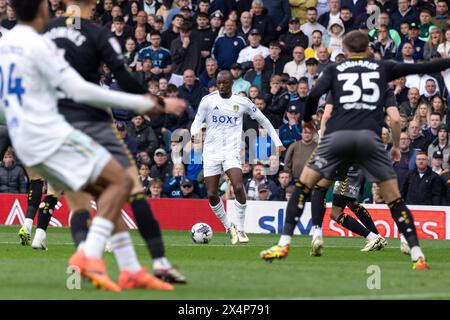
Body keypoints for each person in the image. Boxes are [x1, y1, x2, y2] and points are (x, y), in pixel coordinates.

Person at [0, 0, 185, 291]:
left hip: (25, 140)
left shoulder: (6, 42)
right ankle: (89, 255)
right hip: (53, 134)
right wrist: (149, 103)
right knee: (122, 183)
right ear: (41, 11)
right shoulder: (40, 44)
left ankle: (130, 269)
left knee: (98, 191)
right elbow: (80, 89)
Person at [260, 30, 450, 269]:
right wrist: (392, 146)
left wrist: (307, 119)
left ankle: (284, 243)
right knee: (395, 200)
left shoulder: (333, 69)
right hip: (369, 141)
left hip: (336, 139)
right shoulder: (383, 67)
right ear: (368, 49)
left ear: (346, 51)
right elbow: (398, 112)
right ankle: (417, 255)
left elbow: (313, 96)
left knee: (303, 186)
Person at [190, 70, 284, 244]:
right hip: (211, 152)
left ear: (232, 83)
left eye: (225, 83)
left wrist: (277, 141)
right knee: (211, 194)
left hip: (231, 152)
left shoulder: (242, 102)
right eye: (219, 83)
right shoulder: (208, 101)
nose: (221, 86)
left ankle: (240, 230)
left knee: (238, 186)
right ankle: (228, 226)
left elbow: (263, 120)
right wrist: (195, 133)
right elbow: (196, 122)